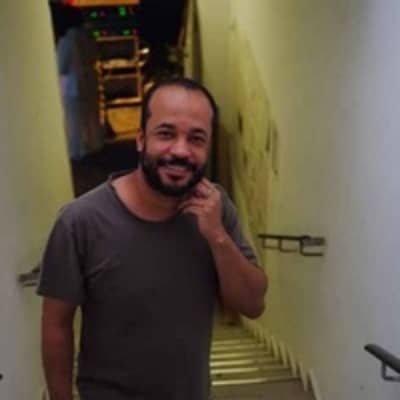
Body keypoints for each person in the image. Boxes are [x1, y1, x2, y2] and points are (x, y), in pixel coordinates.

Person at [37, 77, 267, 400]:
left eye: (196, 139)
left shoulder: (216, 209)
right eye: (166, 134)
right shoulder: (80, 222)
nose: (181, 151)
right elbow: (56, 325)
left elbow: (252, 304)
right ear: (141, 139)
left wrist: (217, 236)